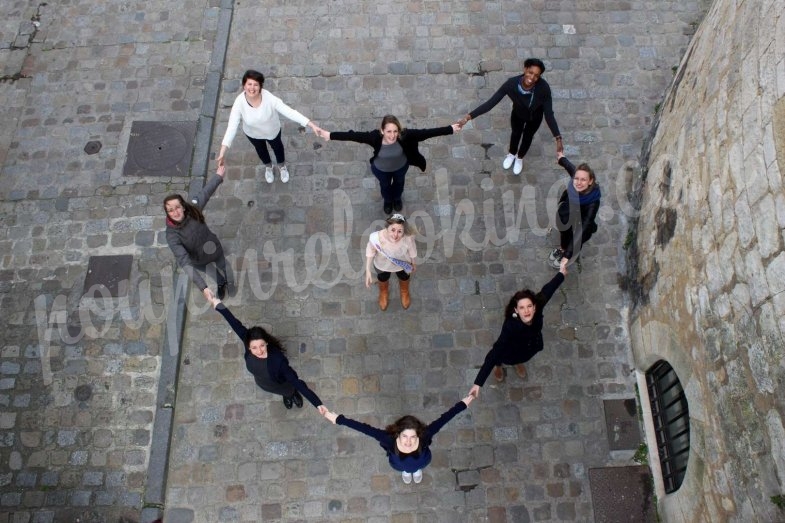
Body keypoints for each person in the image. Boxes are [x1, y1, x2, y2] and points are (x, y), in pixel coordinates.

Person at [209, 295, 328, 413]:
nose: (259, 351)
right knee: (276, 390)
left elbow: (297, 382)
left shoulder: (278, 361)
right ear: (249, 346)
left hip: (281, 384)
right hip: (263, 383)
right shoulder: (247, 340)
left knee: (289, 390)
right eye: (254, 348)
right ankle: (287, 396)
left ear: (266, 342)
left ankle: (290, 394)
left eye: (262, 345)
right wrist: (218, 304)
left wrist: (317, 403)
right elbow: (233, 322)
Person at [319, 115, 460, 214]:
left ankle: (397, 199)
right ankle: (387, 201)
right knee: (385, 186)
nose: (392, 136)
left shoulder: (405, 135)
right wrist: (330, 135)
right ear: (382, 131)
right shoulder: (374, 137)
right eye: (388, 132)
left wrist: (450, 129)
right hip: (381, 169)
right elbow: (352, 136)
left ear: (398, 130)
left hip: (400, 167)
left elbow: (428, 133)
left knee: (399, 184)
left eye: (395, 131)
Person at [322, 394, 475, 484]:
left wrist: (464, 403)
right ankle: (407, 472)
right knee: (406, 469)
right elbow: (364, 428)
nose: (408, 442)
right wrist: (338, 419)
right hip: (399, 463)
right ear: (398, 434)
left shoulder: (425, 436)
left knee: (416, 466)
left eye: (412, 437)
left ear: (418, 435)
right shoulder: (388, 439)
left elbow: (446, 417)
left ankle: (415, 470)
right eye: (405, 436)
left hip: (421, 460)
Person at [468, 262, 568, 394]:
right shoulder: (511, 326)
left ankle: (518, 363)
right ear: (516, 310)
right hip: (511, 349)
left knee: (522, 358)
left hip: (531, 346)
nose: (526, 311)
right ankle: (498, 367)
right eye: (521, 307)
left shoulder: (537, 307)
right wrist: (478, 383)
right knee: (500, 357)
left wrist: (561, 273)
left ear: (534, 306)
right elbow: (493, 353)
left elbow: (548, 291)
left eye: (529, 306)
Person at [457, 58, 563, 175]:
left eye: (536, 76)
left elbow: (549, 114)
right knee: (515, 135)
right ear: (525, 69)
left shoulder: (544, 88)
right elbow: (490, 103)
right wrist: (468, 117)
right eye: (530, 72)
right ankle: (512, 154)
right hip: (517, 115)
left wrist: (558, 138)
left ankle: (519, 158)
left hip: (534, 119)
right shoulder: (511, 84)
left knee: (527, 138)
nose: (532, 78)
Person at [216, 69, 322, 184]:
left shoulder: (269, 99)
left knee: (278, 149)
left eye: (256, 84)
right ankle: (268, 167)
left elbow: (289, 112)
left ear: (260, 86)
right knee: (261, 151)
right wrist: (222, 151)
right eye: (249, 84)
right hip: (253, 135)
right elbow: (232, 127)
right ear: (244, 86)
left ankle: (282, 167)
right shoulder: (239, 103)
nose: (252, 88)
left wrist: (310, 124)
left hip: (272, 132)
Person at [164, 166, 232, 300]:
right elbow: (184, 262)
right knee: (213, 273)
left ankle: (230, 280)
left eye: (177, 207)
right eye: (170, 210)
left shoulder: (193, 209)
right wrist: (203, 287)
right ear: (167, 213)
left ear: (183, 207)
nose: (175, 212)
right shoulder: (171, 236)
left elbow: (205, 193)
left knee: (224, 266)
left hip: (213, 248)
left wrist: (218, 176)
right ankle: (221, 282)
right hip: (199, 261)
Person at [549, 152, 602, 269]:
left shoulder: (593, 202)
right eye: (576, 178)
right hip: (566, 218)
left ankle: (569, 255)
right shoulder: (575, 179)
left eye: (583, 180)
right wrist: (562, 159)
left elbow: (583, 229)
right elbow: (570, 167)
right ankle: (563, 249)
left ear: (590, 181)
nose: (578, 182)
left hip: (578, 226)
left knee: (574, 242)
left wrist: (567, 255)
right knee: (564, 235)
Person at [364, 214, 417, 311]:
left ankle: (404, 291)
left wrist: (413, 263)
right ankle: (384, 291)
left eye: (400, 231)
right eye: (393, 230)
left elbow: (412, 249)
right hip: (382, 264)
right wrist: (367, 269)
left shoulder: (408, 238)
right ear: (387, 227)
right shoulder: (376, 238)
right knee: (383, 278)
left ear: (403, 231)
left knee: (404, 277)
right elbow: (370, 251)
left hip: (402, 264)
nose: (396, 235)